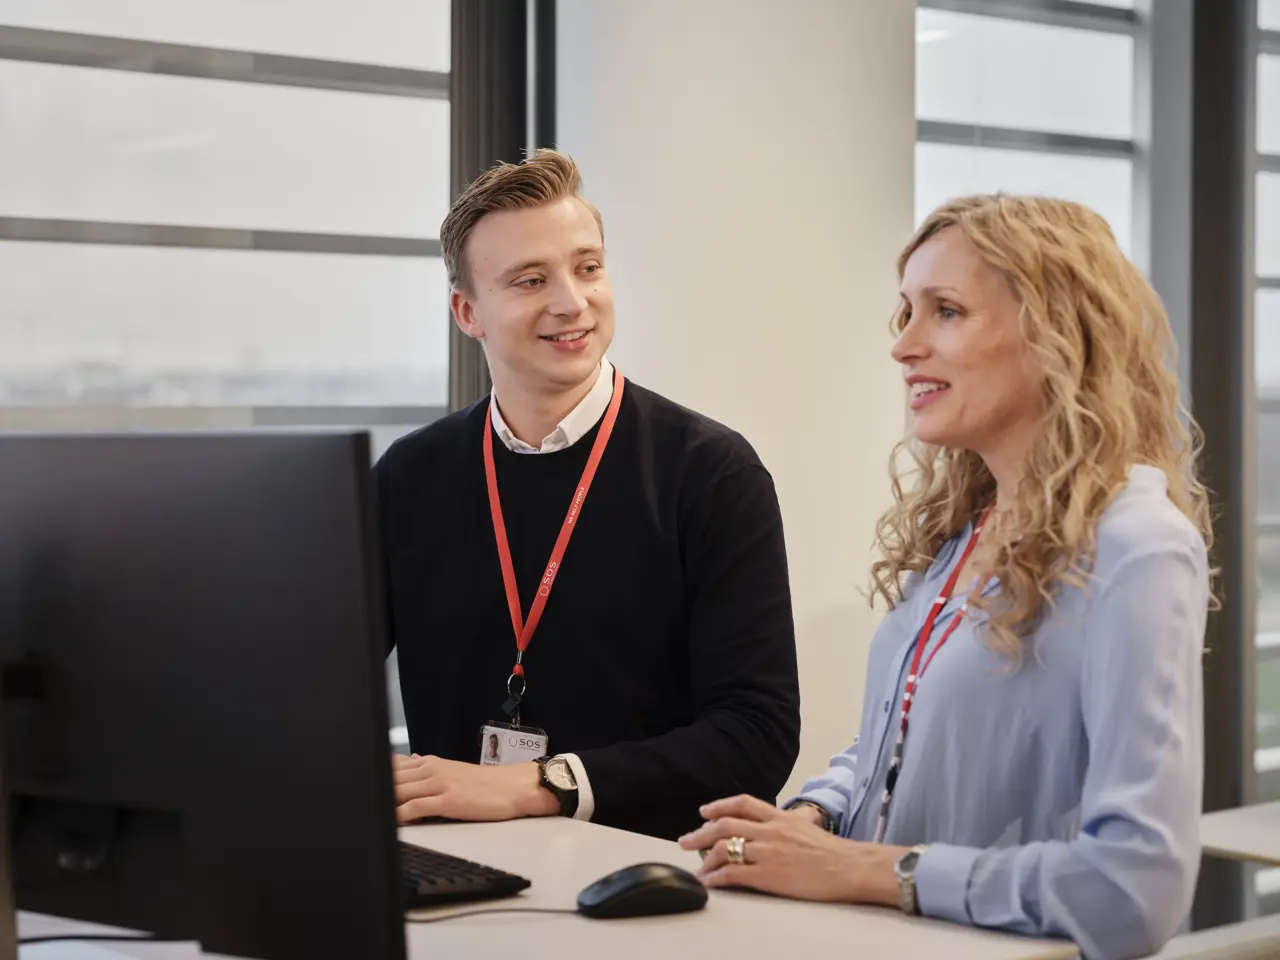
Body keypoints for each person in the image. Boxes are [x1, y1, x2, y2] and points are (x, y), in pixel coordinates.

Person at [679, 195, 1211, 960]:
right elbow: (891, 749)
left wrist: (867, 870)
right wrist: (812, 820)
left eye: (947, 312)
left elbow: (1134, 888)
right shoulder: (964, 531)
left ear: (1055, 334)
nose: (903, 346)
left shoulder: (1138, 547)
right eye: (905, 312)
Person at [376, 150, 800, 841]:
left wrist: (540, 785)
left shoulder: (711, 473)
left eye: (588, 267)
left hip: (643, 878)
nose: (571, 302)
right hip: (452, 862)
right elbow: (314, 684)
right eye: (530, 279)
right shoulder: (411, 476)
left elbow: (756, 739)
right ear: (467, 312)